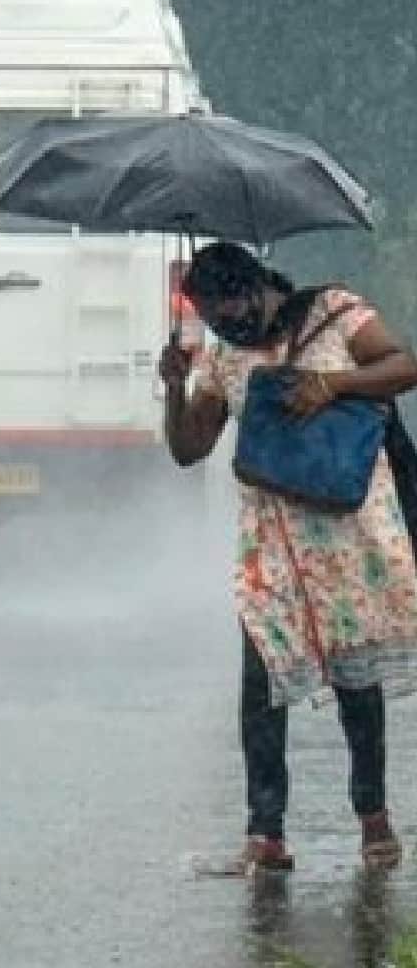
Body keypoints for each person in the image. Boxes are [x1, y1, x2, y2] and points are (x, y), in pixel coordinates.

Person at [161, 240, 417, 875]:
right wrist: (173, 388)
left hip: (346, 534)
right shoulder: (222, 359)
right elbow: (189, 448)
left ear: (258, 286)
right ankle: (265, 837)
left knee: (357, 682)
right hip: (270, 546)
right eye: (213, 317)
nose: (228, 324)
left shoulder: (336, 312)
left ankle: (373, 820)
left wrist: (332, 384)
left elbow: (402, 365)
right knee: (261, 685)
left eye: (233, 309)